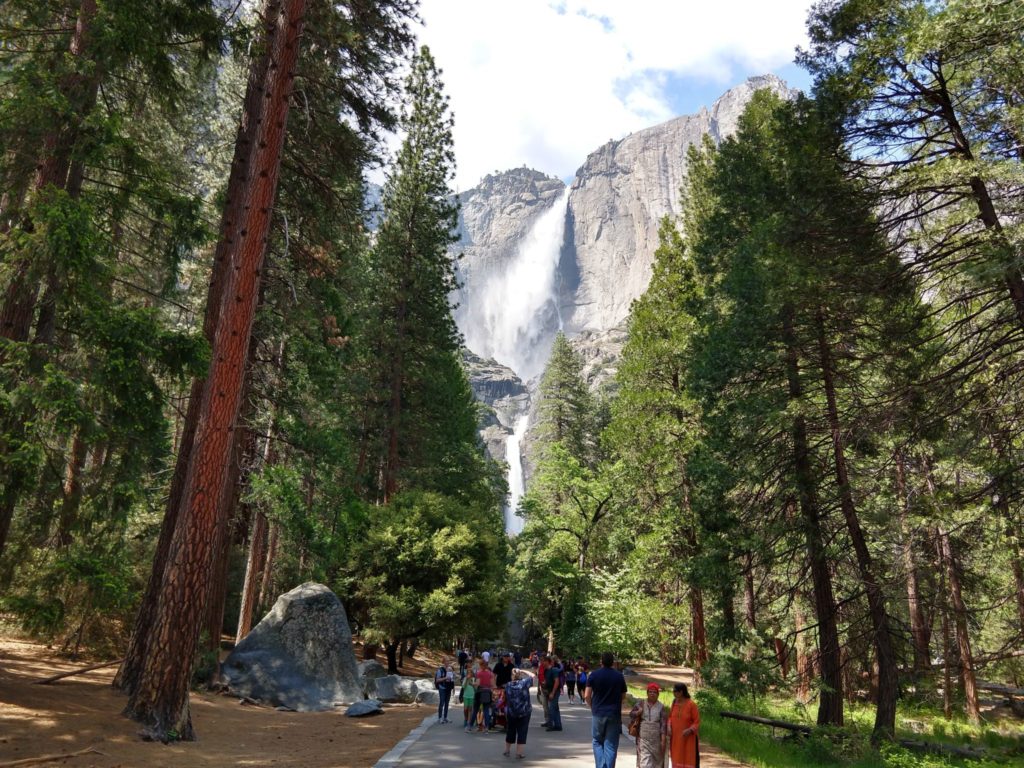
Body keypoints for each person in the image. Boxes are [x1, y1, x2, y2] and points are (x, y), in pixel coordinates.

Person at [585, 651, 628, 768]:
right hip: (614, 714)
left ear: (601, 661)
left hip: (598, 713)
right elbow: (623, 696)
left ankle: (600, 765)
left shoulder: (593, 675)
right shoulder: (619, 676)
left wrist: (592, 706)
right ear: (613, 662)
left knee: (597, 741)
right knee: (611, 744)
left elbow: (587, 695)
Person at [629, 683, 667, 768]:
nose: (652, 693)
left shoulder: (661, 707)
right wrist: (637, 712)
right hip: (643, 740)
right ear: (647, 693)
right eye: (650, 692)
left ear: (658, 694)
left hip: (656, 741)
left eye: (654, 692)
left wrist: (663, 740)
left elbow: (663, 724)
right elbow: (631, 714)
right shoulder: (641, 704)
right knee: (645, 764)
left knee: (657, 763)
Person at [502, 667, 534, 759]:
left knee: (510, 730)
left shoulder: (508, 685)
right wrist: (523, 670)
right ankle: (519, 753)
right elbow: (533, 676)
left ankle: (507, 750)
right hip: (524, 711)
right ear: (519, 675)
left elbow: (504, 697)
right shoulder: (524, 683)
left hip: (512, 712)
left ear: (512, 676)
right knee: (522, 731)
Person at [667, 682, 700, 768]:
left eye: (675, 691)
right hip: (675, 738)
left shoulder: (691, 705)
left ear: (681, 692)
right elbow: (670, 717)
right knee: (676, 758)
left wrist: (689, 730)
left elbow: (697, 721)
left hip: (688, 739)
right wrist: (669, 726)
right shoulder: (674, 703)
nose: (673, 693)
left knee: (688, 759)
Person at [472, 657, 495, 732]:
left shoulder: (479, 673)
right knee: (486, 710)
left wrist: (472, 683)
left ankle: (470, 726)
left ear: (481, 665)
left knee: (475, 710)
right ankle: (486, 728)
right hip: (488, 692)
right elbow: (492, 684)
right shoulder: (490, 673)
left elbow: (477, 683)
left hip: (480, 692)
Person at [543, 655, 563, 731]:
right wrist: (544, 683)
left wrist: (552, 693)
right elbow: (547, 680)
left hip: (555, 691)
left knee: (551, 708)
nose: (543, 663)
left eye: (544, 661)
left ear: (548, 662)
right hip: (549, 691)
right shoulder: (546, 670)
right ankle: (558, 725)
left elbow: (556, 682)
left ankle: (550, 725)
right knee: (555, 708)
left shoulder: (554, 670)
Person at [434, 657, 455, 723]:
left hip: (448, 688)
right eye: (446, 661)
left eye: (448, 661)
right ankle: (440, 718)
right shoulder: (440, 670)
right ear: (443, 662)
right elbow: (437, 680)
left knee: (447, 703)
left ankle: (445, 717)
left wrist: (453, 687)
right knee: (442, 702)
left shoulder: (450, 669)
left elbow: (452, 679)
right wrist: (445, 678)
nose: (448, 662)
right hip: (442, 688)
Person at [537, 655, 551, 726]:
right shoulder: (540, 668)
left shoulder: (550, 668)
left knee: (551, 706)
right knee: (545, 706)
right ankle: (547, 720)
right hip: (542, 688)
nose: (542, 662)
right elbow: (539, 678)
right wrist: (538, 688)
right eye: (541, 660)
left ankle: (552, 721)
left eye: (543, 660)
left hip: (549, 689)